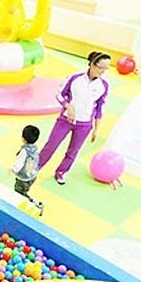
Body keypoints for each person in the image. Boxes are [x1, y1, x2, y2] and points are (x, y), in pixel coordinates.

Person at [38, 51, 111, 185]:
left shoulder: (104, 86)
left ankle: (61, 172)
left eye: (106, 68)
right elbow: (60, 94)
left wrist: (96, 129)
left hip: (84, 125)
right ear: (92, 64)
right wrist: (68, 106)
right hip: (65, 120)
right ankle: (36, 167)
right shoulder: (75, 78)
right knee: (51, 145)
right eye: (101, 67)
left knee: (73, 151)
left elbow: (100, 108)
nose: (103, 71)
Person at [11, 125, 43, 215]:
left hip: (24, 178)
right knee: (23, 191)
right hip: (32, 176)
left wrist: (13, 169)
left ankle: (36, 205)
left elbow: (19, 162)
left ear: (23, 138)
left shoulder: (24, 151)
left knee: (19, 193)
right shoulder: (35, 148)